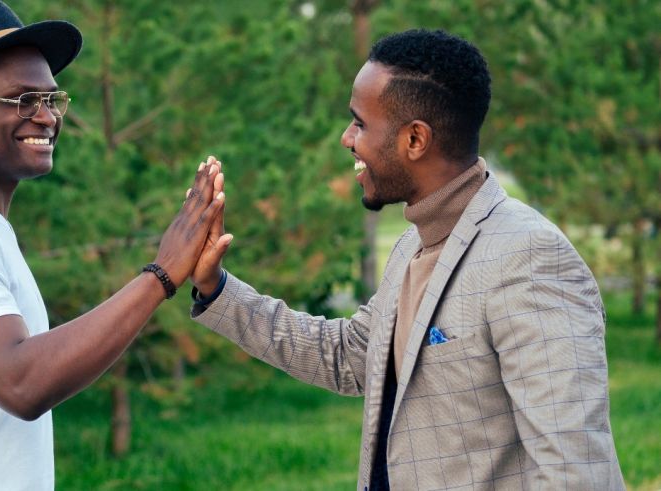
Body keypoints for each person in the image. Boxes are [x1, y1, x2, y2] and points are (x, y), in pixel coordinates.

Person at [189, 29, 625, 490]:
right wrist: (216, 287)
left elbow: (576, 473)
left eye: (359, 123)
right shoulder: (412, 248)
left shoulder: (529, 258)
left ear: (415, 139)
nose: (346, 138)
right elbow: (348, 355)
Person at [0, 1, 230, 489]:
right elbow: (22, 383)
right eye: (21, 100)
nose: (46, 116)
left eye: (52, 99)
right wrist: (161, 275)